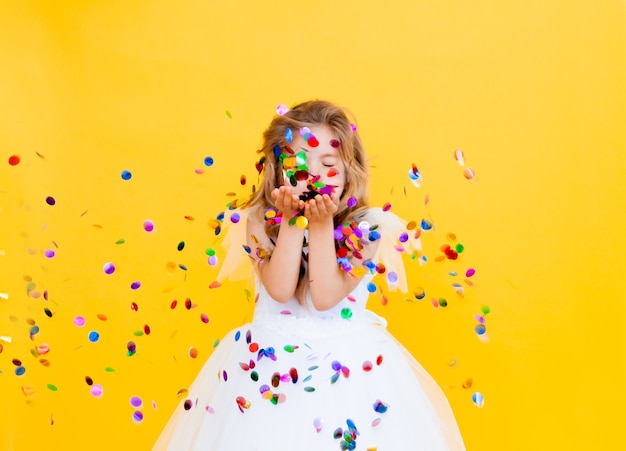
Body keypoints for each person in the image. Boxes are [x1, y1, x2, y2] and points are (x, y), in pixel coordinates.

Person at [154, 100, 466, 450]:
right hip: (267, 376)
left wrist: (320, 226)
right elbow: (279, 289)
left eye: (328, 163)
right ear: (278, 170)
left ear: (350, 170)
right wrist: (291, 220)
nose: (314, 175)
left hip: (350, 370)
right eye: (298, 164)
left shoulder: (368, 227)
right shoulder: (259, 220)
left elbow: (325, 297)